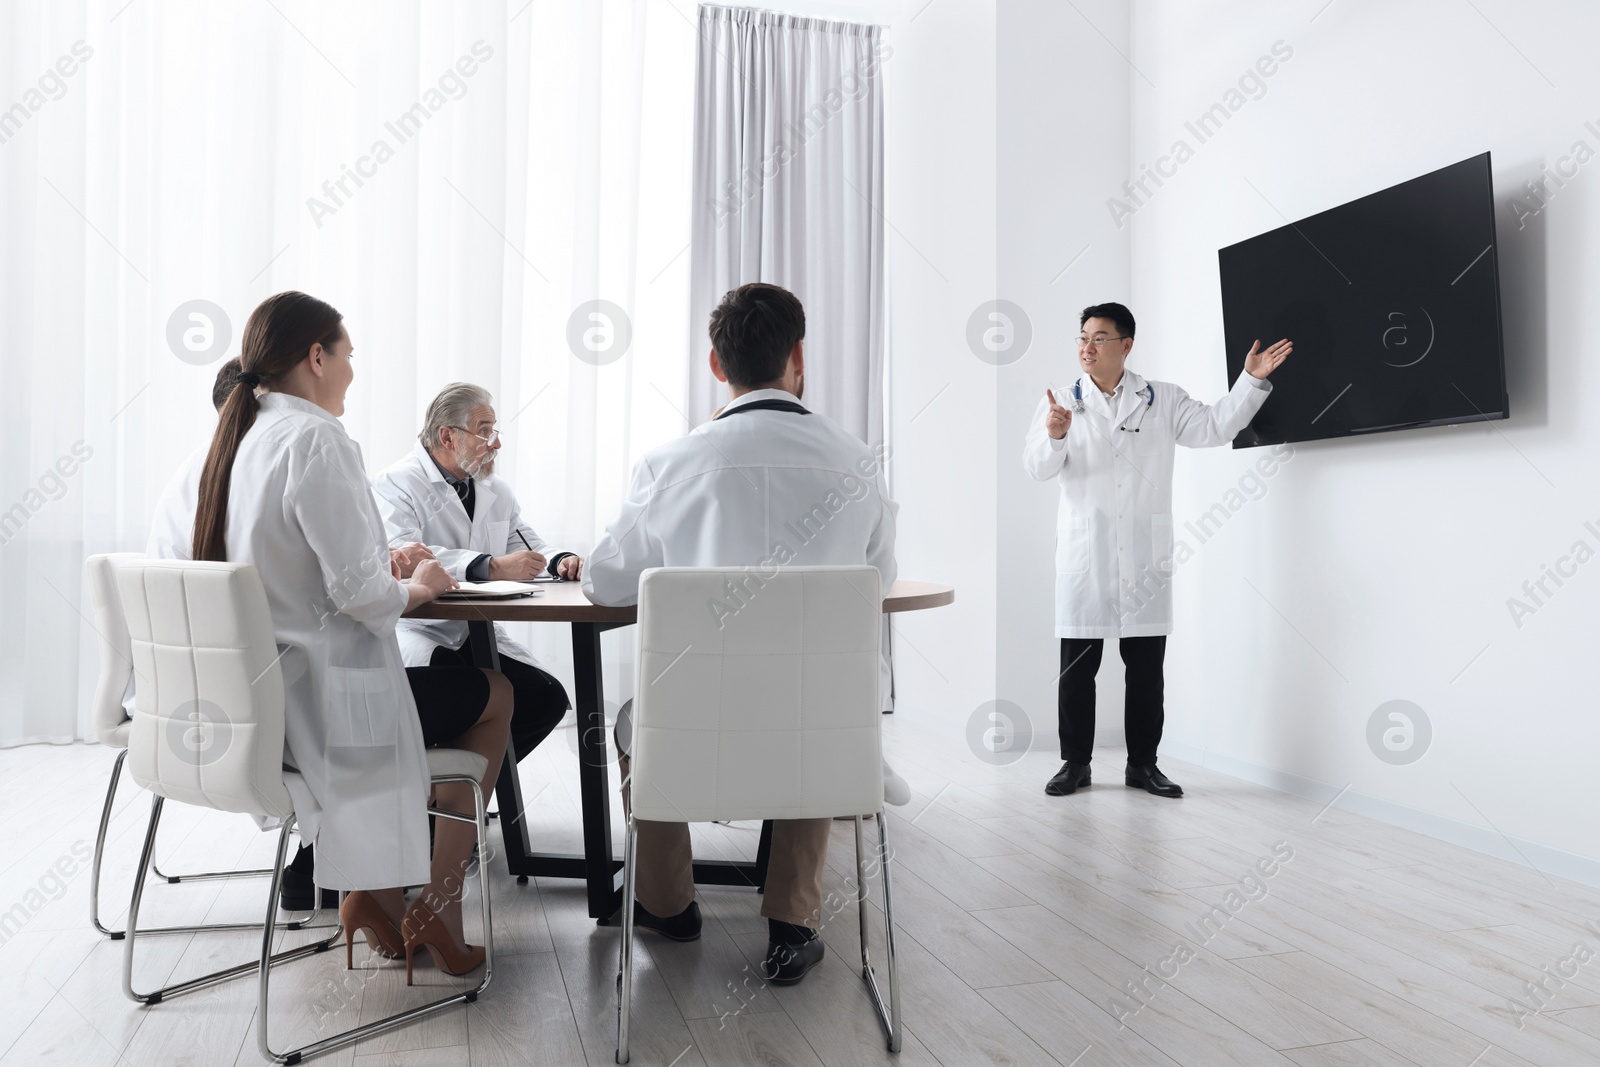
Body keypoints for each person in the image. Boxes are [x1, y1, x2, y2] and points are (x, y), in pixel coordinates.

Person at [189, 290, 512, 977]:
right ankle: (431, 905)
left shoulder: (242, 441)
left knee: (459, 708)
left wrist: (380, 570)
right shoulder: (315, 438)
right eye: (348, 355)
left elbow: (311, 570)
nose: (353, 372)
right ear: (316, 357)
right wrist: (420, 583)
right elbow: (362, 597)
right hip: (334, 715)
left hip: (266, 709)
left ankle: (381, 891)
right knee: (497, 694)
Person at [583, 282, 898, 986]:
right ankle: (792, 922)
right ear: (799, 357)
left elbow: (605, 582)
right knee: (819, 700)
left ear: (715, 366)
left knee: (642, 719)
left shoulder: (667, 466)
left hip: (694, 723)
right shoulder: (858, 465)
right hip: (817, 729)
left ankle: (669, 904)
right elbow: (877, 584)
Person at [1024, 302, 1289, 799]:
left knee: (1146, 672)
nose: (1087, 346)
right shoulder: (1061, 400)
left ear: (1126, 345)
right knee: (1077, 671)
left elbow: (1214, 428)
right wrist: (1055, 435)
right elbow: (1036, 467)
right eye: (1082, 336)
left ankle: (1142, 765)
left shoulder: (1160, 399)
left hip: (1143, 557)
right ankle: (1074, 765)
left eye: (1099, 337)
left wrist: (1248, 382)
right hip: (1086, 559)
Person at [373, 383, 578, 763]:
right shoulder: (396, 483)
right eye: (485, 431)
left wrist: (560, 559)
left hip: (474, 630)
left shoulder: (494, 489)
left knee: (546, 698)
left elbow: (525, 543)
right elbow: (405, 556)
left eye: (494, 431)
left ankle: (465, 791)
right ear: (447, 436)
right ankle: (445, 801)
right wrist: (491, 565)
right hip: (421, 628)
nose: (495, 443)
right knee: (471, 694)